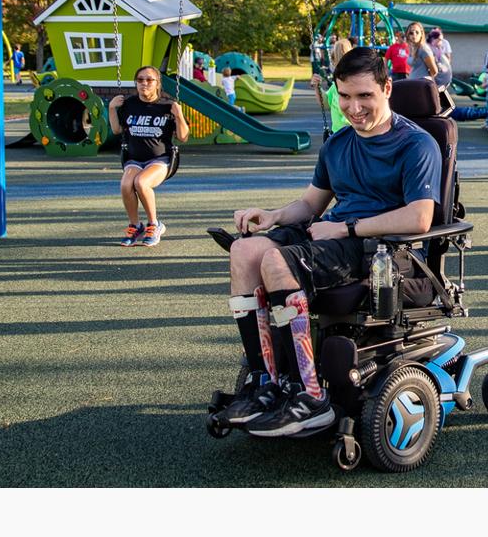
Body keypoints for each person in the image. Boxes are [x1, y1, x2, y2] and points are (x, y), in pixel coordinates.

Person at [216, 47, 441, 437]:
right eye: (346, 96)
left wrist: (346, 229)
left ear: (387, 89)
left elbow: (419, 217)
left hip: (385, 251)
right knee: (245, 250)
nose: (354, 108)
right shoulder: (338, 144)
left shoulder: (417, 144)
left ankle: (310, 397)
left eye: (365, 96)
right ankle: (264, 384)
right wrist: (272, 217)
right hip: (333, 237)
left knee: (276, 263)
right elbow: (310, 203)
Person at [107, 66, 189, 247]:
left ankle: (154, 225)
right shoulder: (128, 104)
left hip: (160, 159)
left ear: (157, 83)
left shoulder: (167, 105)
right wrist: (112, 108)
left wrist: (179, 115)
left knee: (141, 183)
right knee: (126, 184)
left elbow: (183, 137)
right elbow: (116, 130)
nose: (144, 83)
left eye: (149, 80)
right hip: (134, 158)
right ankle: (135, 225)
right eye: (140, 80)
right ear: (136, 83)